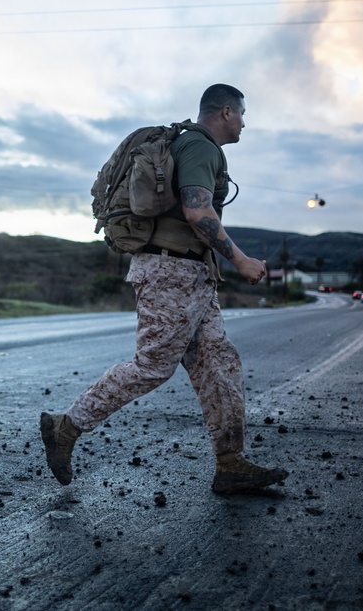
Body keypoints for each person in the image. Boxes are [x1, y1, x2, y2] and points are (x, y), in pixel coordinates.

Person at [40, 84, 289, 495]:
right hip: (170, 272)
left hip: (192, 274)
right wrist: (240, 259)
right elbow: (197, 210)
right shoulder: (200, 146)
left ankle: (231, 464)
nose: (245, 124)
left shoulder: (193, 145)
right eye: (243, 114)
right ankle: (65, 427)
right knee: (153, 365)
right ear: (227, 112)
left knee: (219, 364)